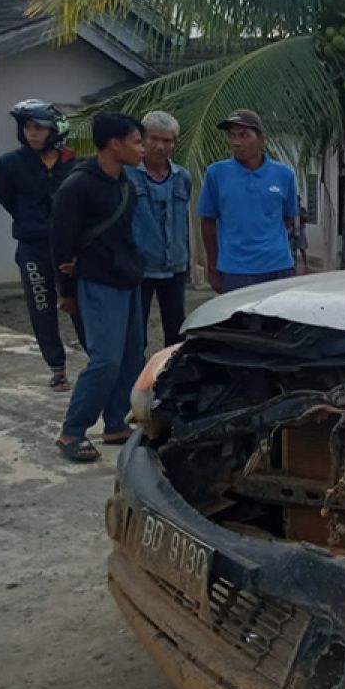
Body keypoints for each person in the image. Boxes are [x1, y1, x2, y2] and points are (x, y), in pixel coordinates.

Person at [52, 113, 147, 462]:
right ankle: (72, 431)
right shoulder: (77, 186)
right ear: (114, 144)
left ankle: (115, 423)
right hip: (97, 283)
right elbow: (60, 245)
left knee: (132, 356)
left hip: (127, 278)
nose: (144, 148)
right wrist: (66, 292)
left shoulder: (125, 184)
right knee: (105, 359)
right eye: (137, 141)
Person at [0, 99, 86, 390]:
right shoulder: (8, 164)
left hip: (70, 248)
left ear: (54, 130)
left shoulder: (74, 161)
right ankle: (57, 368)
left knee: (79, 305)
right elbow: (6, 197)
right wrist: (32, 223)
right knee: (41, 307)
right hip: (33, 248)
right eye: (27, 128)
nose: (32, 133)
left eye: (38, 128)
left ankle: (96, 361)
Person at [198, 109, 298, 293]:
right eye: (232, 135)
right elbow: (208, 222)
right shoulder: (216, 174)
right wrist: (212, 267)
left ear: (261, 140)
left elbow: (288, 218)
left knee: (276, 321)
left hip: (277, 267)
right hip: (234, 270)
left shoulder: (284, 175)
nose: (236, 142)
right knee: (238, 321)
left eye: (244, 135)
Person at [126, 110, 191, 349]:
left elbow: (183, 221)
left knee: (176, 330)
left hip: (174, 265)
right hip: (139, 267)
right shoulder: (127, 175)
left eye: (167, 140)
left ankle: (172, 378)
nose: (160, 146)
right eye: (154, 138)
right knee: (135, 330)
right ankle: (135, 378)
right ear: (142, 139)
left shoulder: (182, 177)